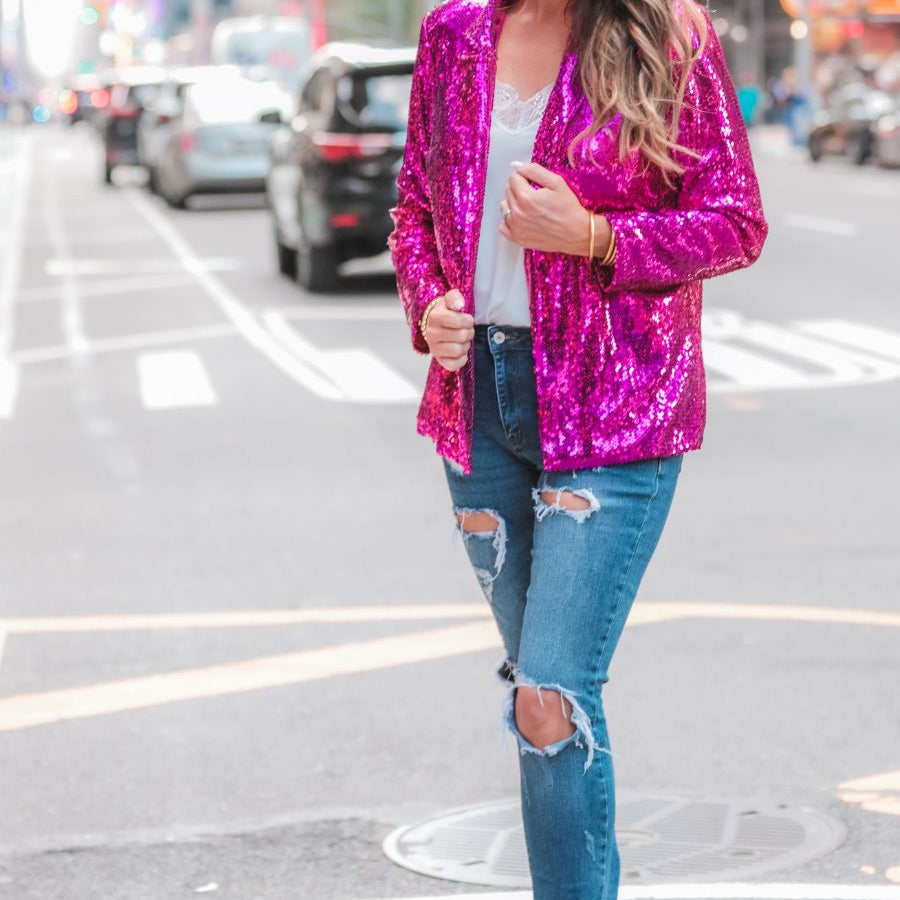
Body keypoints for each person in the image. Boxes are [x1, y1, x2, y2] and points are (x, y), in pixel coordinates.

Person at [387, 0, 767, 896]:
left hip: (616, 406)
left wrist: (596, 237)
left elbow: (736, 220)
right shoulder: (454, 33)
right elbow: (413, 206)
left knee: (551, 695)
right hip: (479, 397)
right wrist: (430, 303)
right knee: (538, 700)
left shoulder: (667, 34)